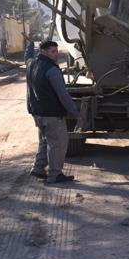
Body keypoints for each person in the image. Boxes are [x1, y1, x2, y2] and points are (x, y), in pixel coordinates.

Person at [27, 41, 83, 184]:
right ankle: (55, 175)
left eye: (56, 51)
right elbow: (63, 94)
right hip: (52, 113)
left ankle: (38, 168)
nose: (56, 54)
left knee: (45, 141)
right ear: (44, 52)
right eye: (53, 51)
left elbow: (27, 56)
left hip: (38, 112)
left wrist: (29, 43)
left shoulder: (32, 64)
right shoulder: (52, 69)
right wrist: (75, 112)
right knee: (58, 143)